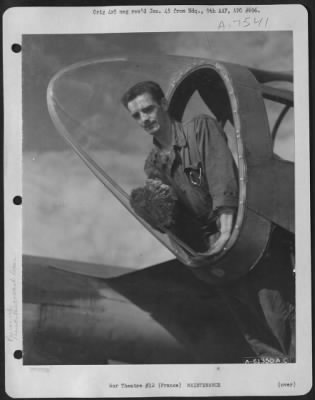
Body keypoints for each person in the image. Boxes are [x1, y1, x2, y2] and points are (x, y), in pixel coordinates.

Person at [121, 80, 295, 362]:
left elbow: (220, 175)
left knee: (280, 315)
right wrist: (156, 213)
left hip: (248, 233)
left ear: (163, 104)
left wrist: (228, 233)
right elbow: (175, 219)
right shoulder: (153, 164)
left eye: (148, 109)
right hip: (213, 253)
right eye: (137, 115)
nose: (145, 119)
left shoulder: (200, 128)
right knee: (255, 333)